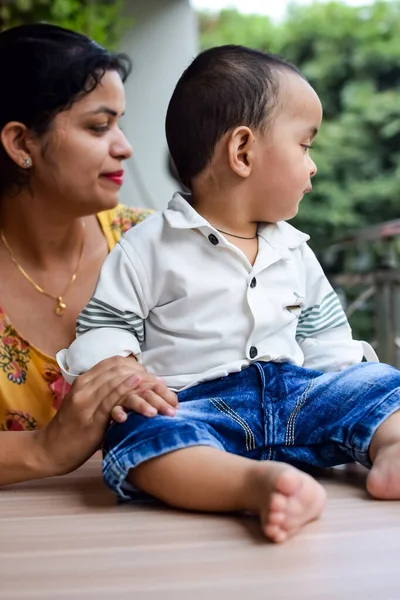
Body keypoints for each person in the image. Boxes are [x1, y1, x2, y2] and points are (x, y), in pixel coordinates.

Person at [58, 45, 400, 544]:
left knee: (381, 383)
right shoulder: (148, 246)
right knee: (139, 435)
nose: (314, 167)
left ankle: (391, 449)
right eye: (305, 146)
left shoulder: (295, 250)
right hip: (195, 405)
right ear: (243, 152)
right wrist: (125, 373)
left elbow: (328, 341)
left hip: (297, 398)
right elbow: (106, 328)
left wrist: (357, 394)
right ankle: (252, 485)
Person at [0, 23, 178, 487]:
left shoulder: (158, 243)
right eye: (99, 127)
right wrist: (45, 448)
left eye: (118, 123)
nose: (124, 147)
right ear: (22, 143)